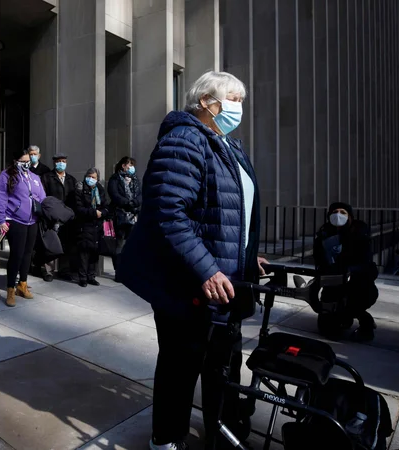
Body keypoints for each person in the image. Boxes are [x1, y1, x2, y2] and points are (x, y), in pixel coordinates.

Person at [118, 71, 268, 450]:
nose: (238, 107)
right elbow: (169, 212)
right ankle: (167, 439)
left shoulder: (229, 145)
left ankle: (225, 432)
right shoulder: (185, 139)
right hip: (189, 282)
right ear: (205, 101)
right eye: (232, 98)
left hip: (228, 280)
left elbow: (231, 215)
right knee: (181, 366)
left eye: (240, 100)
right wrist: (206, 268)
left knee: (224, 363)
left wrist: (247, 255)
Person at [313, 202, 378, 341]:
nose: (338, 215)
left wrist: (349, 271)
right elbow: (318, 259)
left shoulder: (359, 233)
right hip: (333, 282)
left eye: (343, 212)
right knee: (327, 329)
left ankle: (364, 319)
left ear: (350, 216)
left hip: (356, 282)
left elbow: (366, 262)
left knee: (356, 301)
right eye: (335, 211)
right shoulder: (324, 234)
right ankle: (342, 318)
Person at [0, 148, 46, 307]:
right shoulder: (6, 176)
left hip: (33, 220)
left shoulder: (35, 177)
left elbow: (42, 196)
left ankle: (22, 285)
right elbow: (1, 198)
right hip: (15, 219)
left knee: (27, 254)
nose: (26, 164)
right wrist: (1, 219)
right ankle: (10, 288)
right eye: (23, 161)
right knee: (16, 255)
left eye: (28, 161)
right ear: (15, 161)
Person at [39, 153, 78, 282]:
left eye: (63, 161)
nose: (61, 163)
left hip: (66, 217)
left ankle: (64, 270)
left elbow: (74, 199)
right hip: (51, 216)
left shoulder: (71, 180)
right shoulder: (46, 178)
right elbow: (43, 197)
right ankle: (48, 270)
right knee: (51, 243)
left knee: (65, 243)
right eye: (58, 161)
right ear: (54, 163)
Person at [74, 168, 111, 287]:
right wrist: (93, 213)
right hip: (85, 224)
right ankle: (83, 278)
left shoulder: (99, 189)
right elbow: (79, 208)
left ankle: (91, 276)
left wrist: (103, 213)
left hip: (97, 225)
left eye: (94, 177)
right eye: (89, 176)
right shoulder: (80, 189)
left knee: (95, 252)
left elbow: (106, 206)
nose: (91, 179)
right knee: (84, 252)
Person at [107, 156, 142, 279]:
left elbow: (140, 195)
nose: (131, 167)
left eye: (133, 165)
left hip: (134, 215)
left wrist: (135, 203)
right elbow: (114, 195)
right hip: (120, 215)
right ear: (123, 165)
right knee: (119, 245)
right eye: (129, 164)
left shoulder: (135, 179)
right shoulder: (115, 179)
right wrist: (128, 203)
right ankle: (119, 271)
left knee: (132, 245)